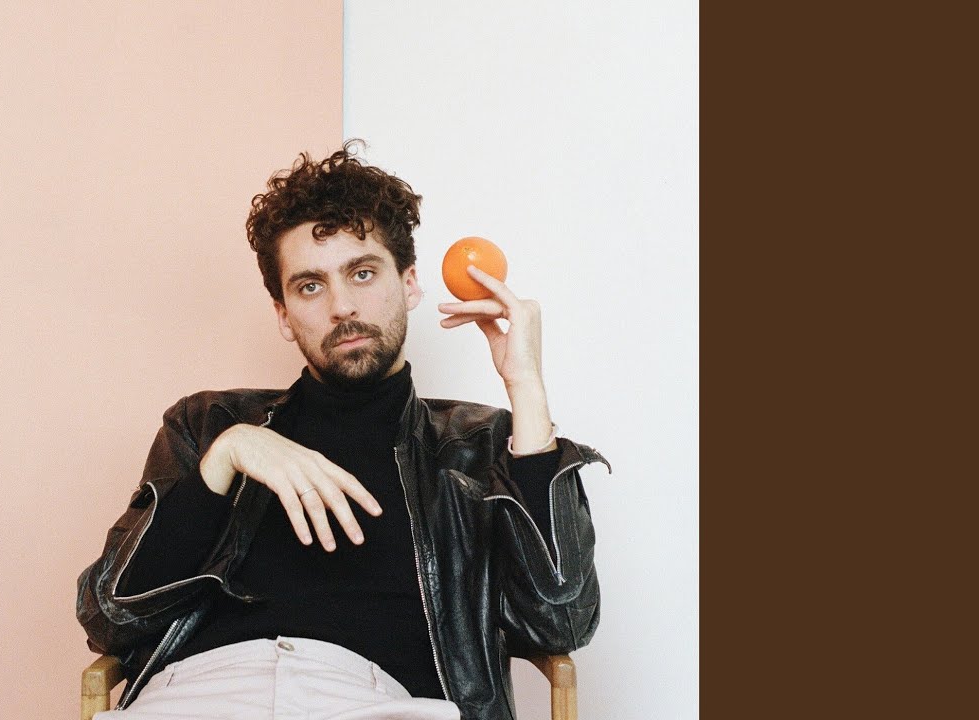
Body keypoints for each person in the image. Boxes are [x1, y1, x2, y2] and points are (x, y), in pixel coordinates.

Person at [76, 140, 609, 720]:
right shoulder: (208, 427)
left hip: (379, 701)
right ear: (284, 315)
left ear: (409, 283)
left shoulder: (476, 445)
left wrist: (526, 386)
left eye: (362, 273)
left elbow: (559, 620)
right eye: (310, 285)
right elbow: (110, 618)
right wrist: (228, 456)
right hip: (199, 695)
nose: (341, 306)